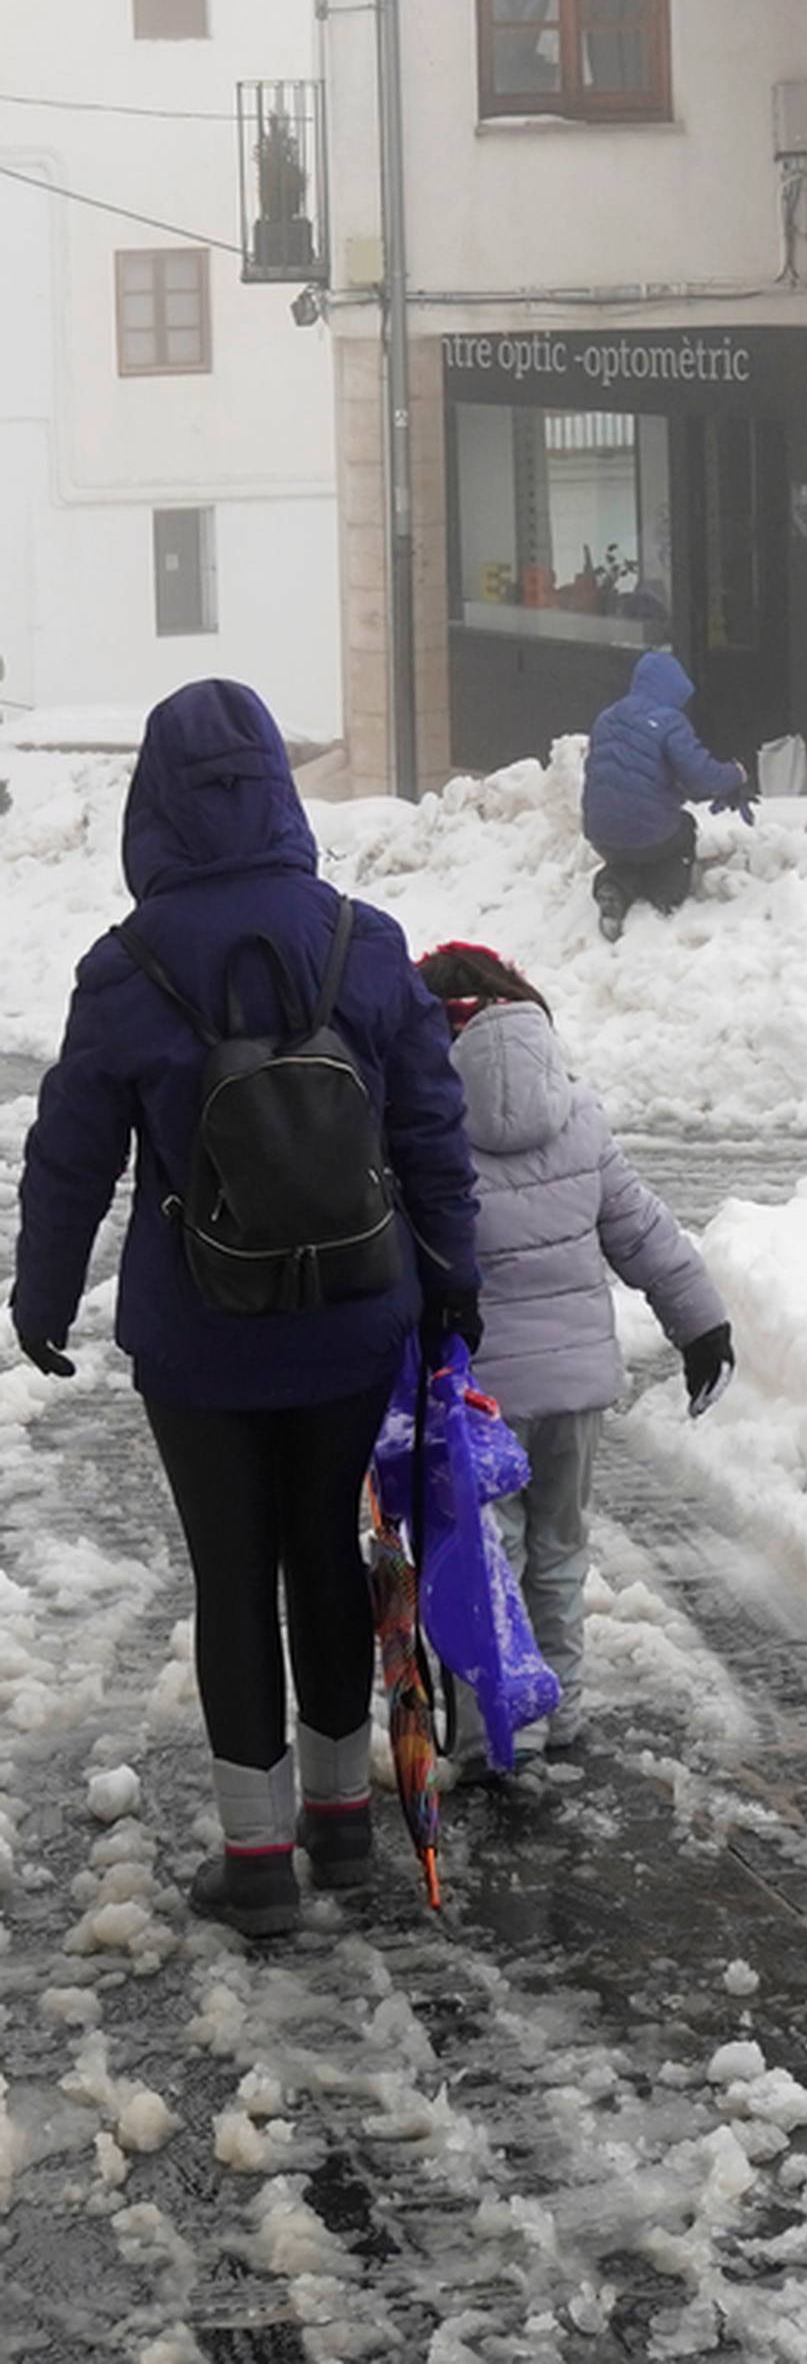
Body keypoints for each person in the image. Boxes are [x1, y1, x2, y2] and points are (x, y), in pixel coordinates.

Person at [9, 681, 479, 1942]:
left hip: (200, 1335)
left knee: (233, 1574)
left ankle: (257, 1857)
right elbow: (431, 1125)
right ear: (277, 788)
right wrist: (452, 1274)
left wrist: (41, 1292)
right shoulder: (362, 943)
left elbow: (71, 1156)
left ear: (152, 805)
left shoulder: (127, 966)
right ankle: (341, 1828)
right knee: (329, 1551)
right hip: (350, 1316)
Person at [413, 942, 733, 1766]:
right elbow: (643, 1232)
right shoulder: (579, 1117)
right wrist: (702, 1326)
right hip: (575, 1394)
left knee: (486, 1563)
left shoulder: (422, 1124)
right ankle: (565, 1714)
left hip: (476, 1399)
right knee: (559, 1551)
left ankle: (491, 1735)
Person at [581, 648, 751, 938]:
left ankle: (614, 886)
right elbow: (700, 777)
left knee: (628, 851)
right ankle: (664, 895)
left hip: (600, 832)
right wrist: (735, 775)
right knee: (682, 829)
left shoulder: (607, 718)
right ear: (671, 690)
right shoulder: (669, 722)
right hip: (649, 833)